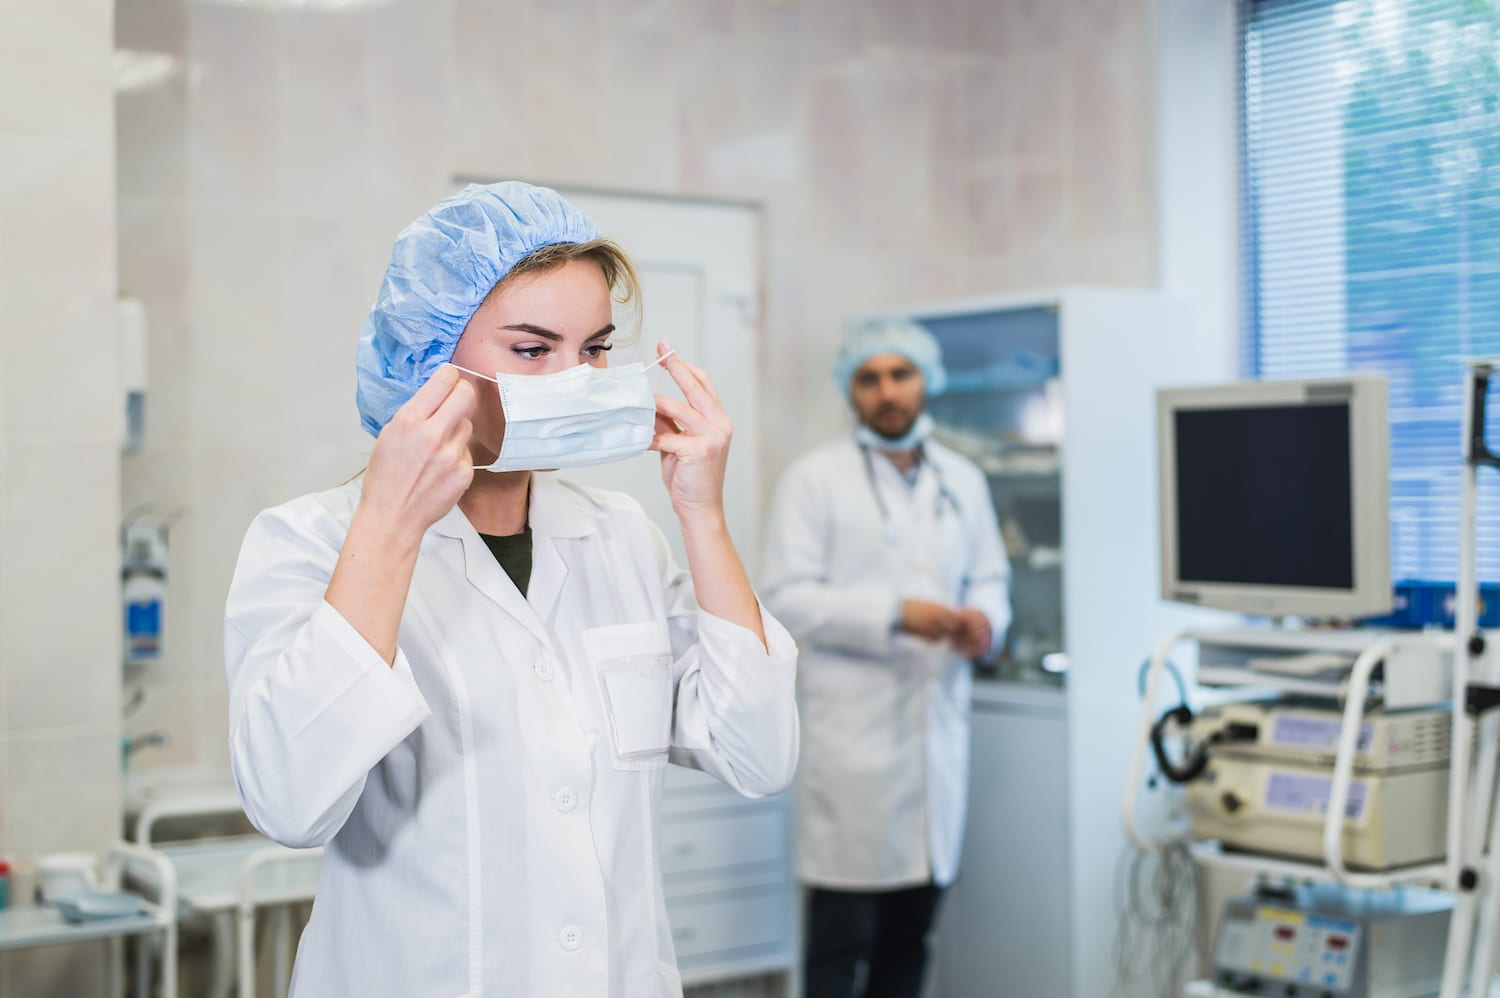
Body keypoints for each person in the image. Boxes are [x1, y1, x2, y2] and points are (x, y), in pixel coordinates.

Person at [223, 181, 799, 997]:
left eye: (595, 349)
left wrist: (701, 512)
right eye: (534, 351)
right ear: (428, 358)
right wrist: (390, 526)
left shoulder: (621, 536)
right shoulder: (310, 541)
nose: (577, 378)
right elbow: (288, 803)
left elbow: (759, 754)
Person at [761, 317, 1011, 998]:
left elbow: (991, 576)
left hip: (935, 737)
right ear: (851, 390)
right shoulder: (813, 480)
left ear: (927, 381)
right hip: (853, 747)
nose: (888, 391)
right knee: (841, 944)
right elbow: (786, 597)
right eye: (870, 379)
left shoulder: (963, 480)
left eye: (901, 374)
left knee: (912, 940)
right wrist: (896, 613)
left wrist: (987, 621)